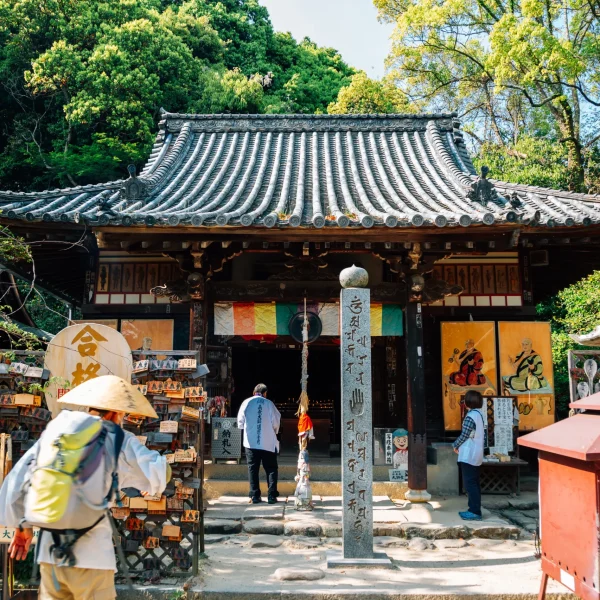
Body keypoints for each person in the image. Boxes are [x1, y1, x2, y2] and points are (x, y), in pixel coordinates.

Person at [0, 375, 169, 600]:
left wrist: (23, 526)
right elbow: (158, 470)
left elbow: (16, 481)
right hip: (93, 558)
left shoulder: (56, 431)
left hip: (51, 555)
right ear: (117, 413)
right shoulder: (118, 437)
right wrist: (153, 483)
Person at [237, 383, 281, 504]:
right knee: (271, 469)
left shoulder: (246, 402)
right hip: (267, 442)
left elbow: (240, 422)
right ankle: (272, 496)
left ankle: (255, 496)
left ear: (253, 392)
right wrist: (273, 431)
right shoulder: (269, 404)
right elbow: (276, 423)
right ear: (265, 393)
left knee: (253, 469)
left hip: (251, 443)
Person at [453, 390, 486, 521]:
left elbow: (465, 434)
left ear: (468, 402)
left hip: (469, 453)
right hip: (476, 453)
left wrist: (455, 445)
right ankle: (474, 508)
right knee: (475, 483)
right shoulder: (480, 414)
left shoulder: (471, 416)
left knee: (470, 483)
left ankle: (474, 511)